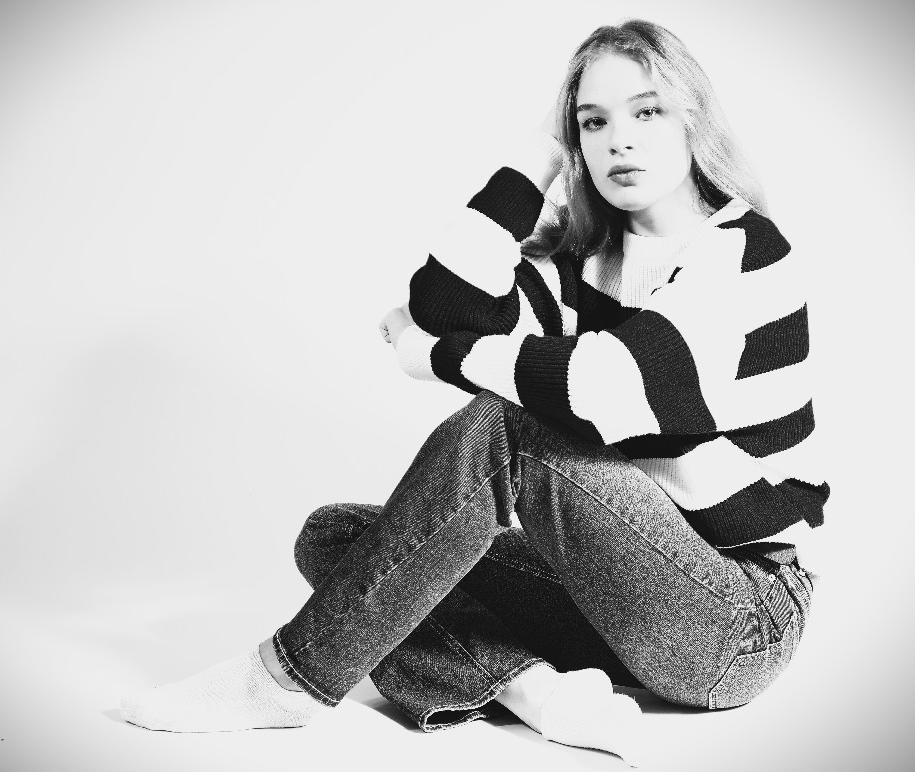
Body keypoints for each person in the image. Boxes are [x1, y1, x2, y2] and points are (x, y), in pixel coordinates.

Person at [120, 19, 827, 767]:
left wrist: (427, 356)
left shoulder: (747, 253)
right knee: (337, 539)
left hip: (738, 621)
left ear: (694, 119)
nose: (620, 140)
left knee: (505, 429)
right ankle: (540, 693)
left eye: (647, 111)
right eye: (593, 122)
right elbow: (445, 302)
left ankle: (286, 680)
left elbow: (602, 386)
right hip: (616, 601)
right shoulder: (587, 263)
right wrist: (539, 155)